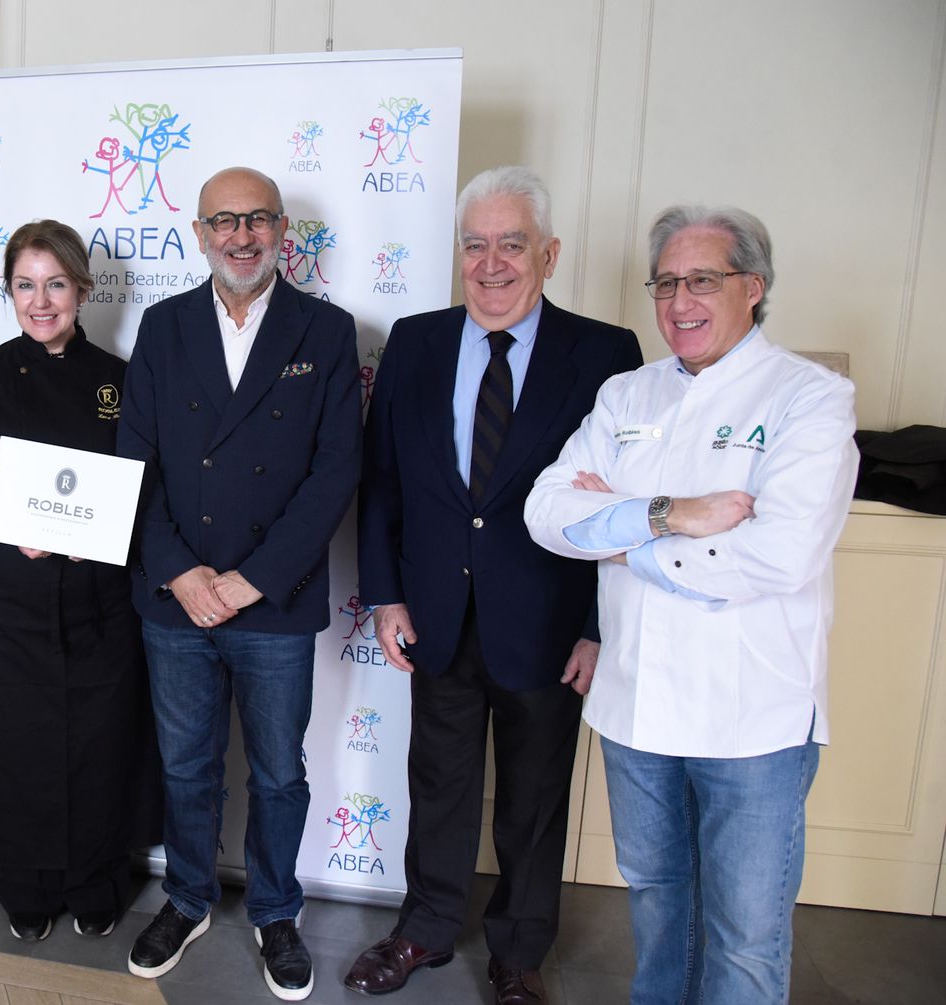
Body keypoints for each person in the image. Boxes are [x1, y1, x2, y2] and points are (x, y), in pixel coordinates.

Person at [524, 205, 858, 1003]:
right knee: (659, 905)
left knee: (746, 935)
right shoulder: (626, 395)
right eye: (666, 282)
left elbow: (779, 555)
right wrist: (673, 512)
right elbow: (546, 513)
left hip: (755, 717)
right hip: (637, 707)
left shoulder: (809, 398)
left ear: (754, 286)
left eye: (702, 279)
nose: (680, 300)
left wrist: (621, 535)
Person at [348, 166, 642, 1004]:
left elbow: (618, 502)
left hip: (549, 622)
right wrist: (386, 594)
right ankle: (427, 930)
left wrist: (596, 625)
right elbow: (384, 481)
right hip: (436, 611)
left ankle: (518, 949)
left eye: (511, 244)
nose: (490, 263)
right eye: (474, 244)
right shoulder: (416, 340)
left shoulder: (607, 353)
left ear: (547, 254)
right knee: (436, 784)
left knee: (535, 795)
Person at [116, 166, 362, 1002]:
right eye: (224, 220)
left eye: (257, 219)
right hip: (176, 598)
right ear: (199, 232)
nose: (241, 235)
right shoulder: (163, 325)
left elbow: (335, 473)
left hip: (274, 600)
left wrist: (250, 580)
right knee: (186, 767)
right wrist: (184, 573)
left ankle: (274, 909)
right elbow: (134, 467)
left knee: (277, 772)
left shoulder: (326, 333)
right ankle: (185, 898)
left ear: (282, 230)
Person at [0, 219, 155, 943]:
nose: (41, 300)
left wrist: (105, 530)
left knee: (98, 745)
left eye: (55, 283)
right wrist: (3, 520)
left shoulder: (121, 381)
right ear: (9, 292)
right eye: (25, 285)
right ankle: (23, 883)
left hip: (99, 604)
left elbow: (147, 484)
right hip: (5, 606)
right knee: (14, 747)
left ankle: (95, 880)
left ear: (83, 289)